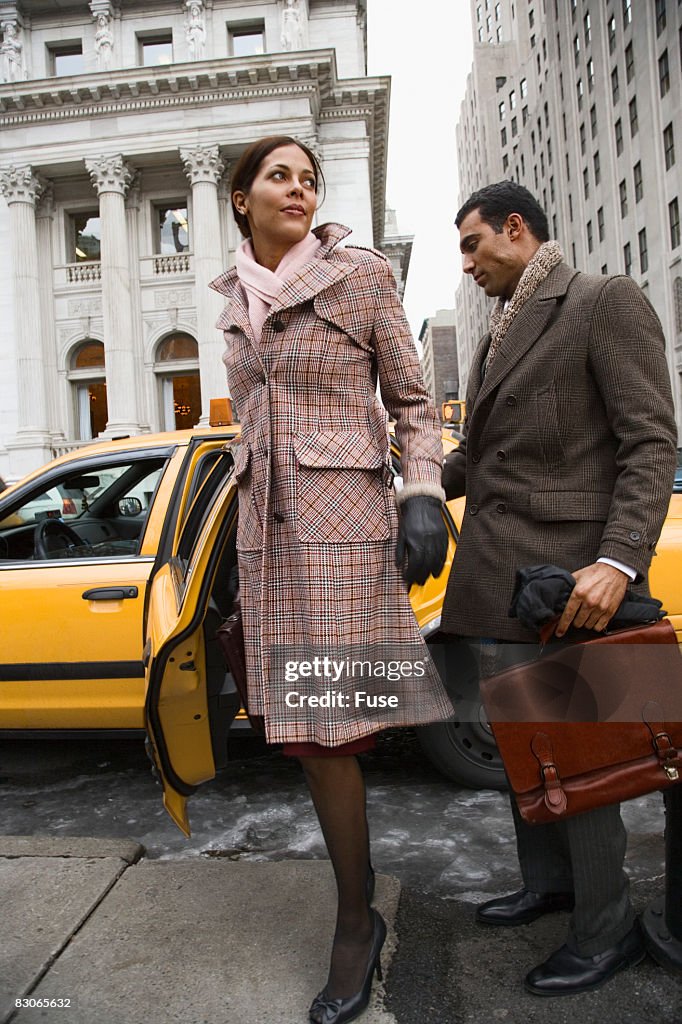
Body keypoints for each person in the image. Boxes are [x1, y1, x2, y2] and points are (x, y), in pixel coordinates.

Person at [209, 136, 452, 1024]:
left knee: (333, 735)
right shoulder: (233, 299)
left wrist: (421, 491)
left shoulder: (360, 276)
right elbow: (250, 428)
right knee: (303, 734)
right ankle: (359, 900)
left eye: (310, 178)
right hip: (265, 538)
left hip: (346, 531)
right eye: (280, 176)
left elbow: (414, 403)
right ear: (241, 197)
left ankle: (356, 920)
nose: (300, 189)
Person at [442, 180, 677, 996]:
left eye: (472, 243)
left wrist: (617, 562)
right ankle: (550, 886)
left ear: (517, 228)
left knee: (587, 764)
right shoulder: (494, 336)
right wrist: (407, 481)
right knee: (528, 750)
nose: (465, 262)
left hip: (576, 582)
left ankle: (604, 929)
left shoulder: (603, 302)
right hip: (502, 584)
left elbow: (650, 442)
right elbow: (480, 457)